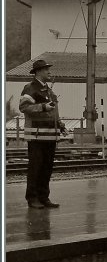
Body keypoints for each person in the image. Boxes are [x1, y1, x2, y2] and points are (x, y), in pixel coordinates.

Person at [19, 59, 65, 209]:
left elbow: (54, 112)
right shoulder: (30, 88)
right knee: (36, 168)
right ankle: (32, 198)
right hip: (37, 137)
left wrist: (61, 125)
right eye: (46, 69)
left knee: (46, 168)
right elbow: (24, 107)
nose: (49, 72)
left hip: (50, 137)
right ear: (38, 72)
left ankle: (44, 197)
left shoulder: (49, 91)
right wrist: (43, 107)